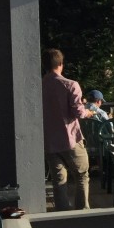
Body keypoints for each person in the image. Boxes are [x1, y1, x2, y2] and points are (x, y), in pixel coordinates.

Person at [41, 48, 95, 210]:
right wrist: (89, 111)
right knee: (81, 175)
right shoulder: (70, 85)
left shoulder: (38, 86)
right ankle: (82, 212)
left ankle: (62, 212)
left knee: (59, 179)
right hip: (69, 138)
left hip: (49, 140)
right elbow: (78, 112)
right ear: (61, 64)